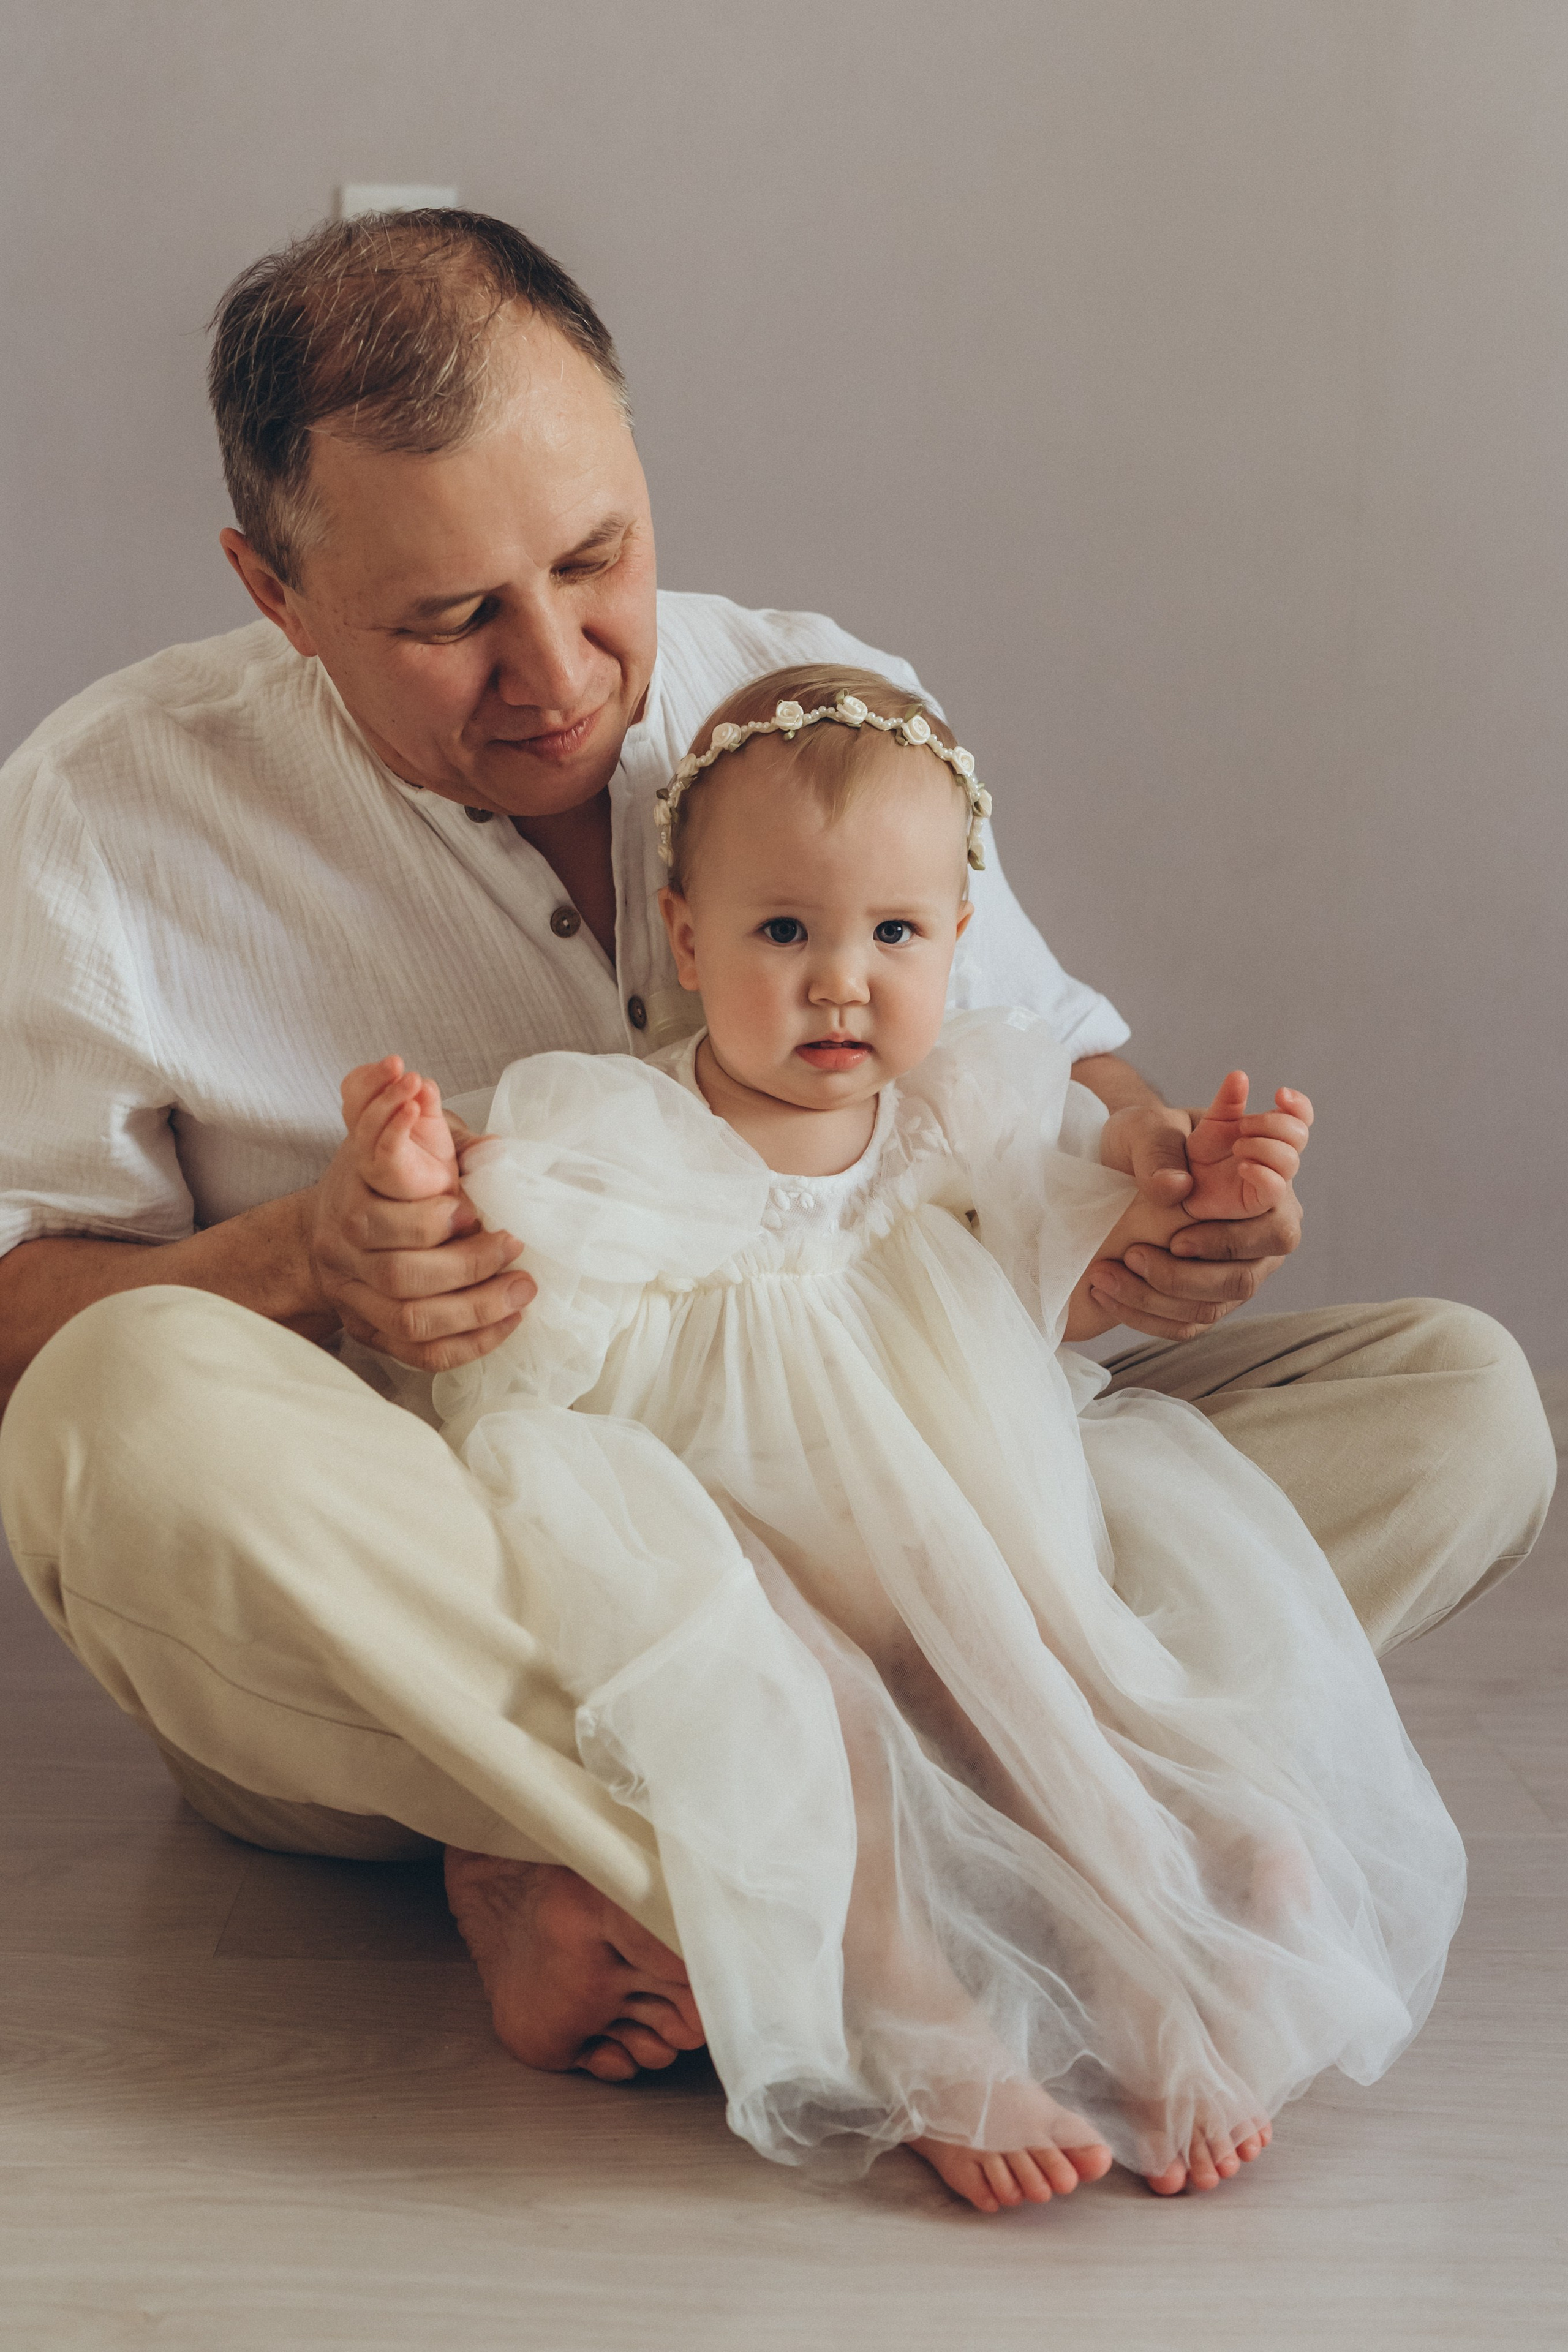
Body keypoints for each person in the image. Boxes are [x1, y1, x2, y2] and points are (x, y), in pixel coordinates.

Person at [0, 209, 1551, 2099]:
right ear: (277, 589)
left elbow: (1029, 1067)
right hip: (450, 1588)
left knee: (1460, 1404)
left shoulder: (808, 695)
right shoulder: (107, 816)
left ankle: (598, 1850)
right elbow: (23, 1317)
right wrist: (300, 1263)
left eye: (598, 557)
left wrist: (1161, 1198)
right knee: (122, 1406)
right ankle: (988, 1864)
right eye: (450, 617)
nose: (561, 670)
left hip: (901, 1529)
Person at [334, 663, 1464, 2213]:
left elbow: (1086, 1214)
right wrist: (425, 1180)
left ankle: (1142, 1951)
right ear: (685, 936)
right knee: (826, 1720)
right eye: (783, 933)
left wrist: (1191, 1176)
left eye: (895, 937)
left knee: (1037, 1678)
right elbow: (522, 1307)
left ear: (956, 938)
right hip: (723, 1522)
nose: (842, 985)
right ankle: (912, 2011)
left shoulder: (951, 1109)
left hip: (940, 1506)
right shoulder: (624, 1127)